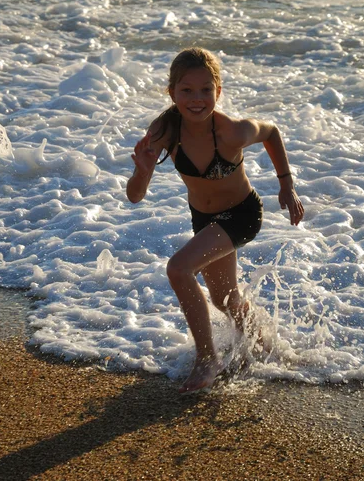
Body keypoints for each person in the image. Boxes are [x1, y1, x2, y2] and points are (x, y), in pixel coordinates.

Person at [126, 47, 304, 394]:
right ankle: (266, 345)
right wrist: (143, 171)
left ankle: (208, 358)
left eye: (206, 89)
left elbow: (272, 132)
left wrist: (287, 186)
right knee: (225, 300)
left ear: (218, 91)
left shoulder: (232, 132)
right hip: (205, 219)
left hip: (242, 214)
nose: (197, 99)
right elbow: (135, 196)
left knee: (178, 269)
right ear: (172, 92)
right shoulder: (164, 130)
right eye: (187, 90)